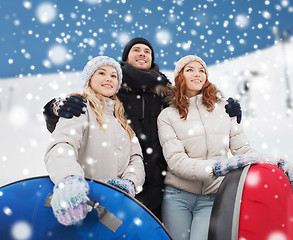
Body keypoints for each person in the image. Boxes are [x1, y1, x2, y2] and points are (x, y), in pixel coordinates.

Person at [42, 37, 242, 220]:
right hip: (116, 181)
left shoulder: (166, 93)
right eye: (136, 50)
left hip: (159, 181)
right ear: (125, 58)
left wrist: (224, 108)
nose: (142, 53)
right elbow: (67, 131)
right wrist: (54, 108)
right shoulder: (112, 90)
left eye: (147, 51)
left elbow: (193, 112)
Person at [157, 55, 293, 240]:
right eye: (190, 70)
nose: (197, 74)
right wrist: (216, 168)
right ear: (180, 77)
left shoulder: (224, 109)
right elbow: (176, 161)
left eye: (201, 70)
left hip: (212, 197)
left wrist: (281, 164)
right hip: (177, 197)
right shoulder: (167, 116)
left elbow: (243, 150)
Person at [44, 56, 145, 226]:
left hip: (112, 209)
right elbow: (62, 144)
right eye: (102, 73)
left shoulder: (122, 122)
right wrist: (69, 179)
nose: (108, 78)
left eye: (114, 76)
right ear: (89, 79)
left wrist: (129, 182)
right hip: (80, 201)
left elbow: (136, 159)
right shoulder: (79, 108)